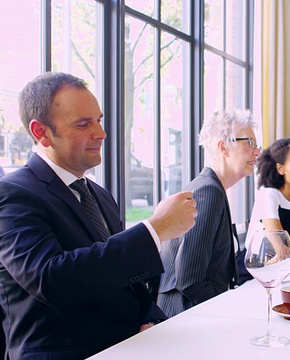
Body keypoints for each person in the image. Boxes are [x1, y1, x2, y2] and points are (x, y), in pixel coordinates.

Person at [0, 72, 197, 359]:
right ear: (41, 132)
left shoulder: (99, 195)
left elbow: (125, 280)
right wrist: (155, 229)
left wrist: (151, 319)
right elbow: (52, 280)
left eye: (99, 120)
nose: (101, 133)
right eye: (83, 124)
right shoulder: (13, 195)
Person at [157, 109, 260, 318]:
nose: (257, 152)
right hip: (186, 318)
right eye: (249, 143)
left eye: (256, 145)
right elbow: (189, 279)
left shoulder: (211, 188)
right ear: (223, 147)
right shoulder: (208, 191)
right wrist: (229, 309)